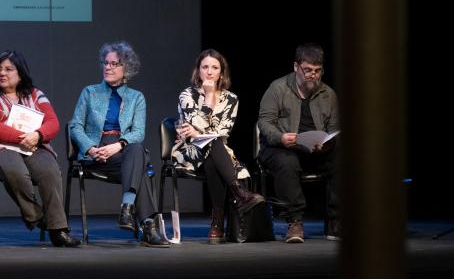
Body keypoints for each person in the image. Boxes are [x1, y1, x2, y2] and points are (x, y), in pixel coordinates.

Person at [0, 50, 80, 247]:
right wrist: (22, 137)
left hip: (33, 145)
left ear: (20, 73)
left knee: (50, 172)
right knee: (17, 172)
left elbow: (52, 122)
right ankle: (38, 218)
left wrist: (38, 136)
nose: (2, 73)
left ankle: (58, 231)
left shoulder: (35, 94)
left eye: (8, 69)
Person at [68, 41, 169, 247]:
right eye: (106, 63)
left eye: (114, 64)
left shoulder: (136, 98)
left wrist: (118, 145)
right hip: (95, 151)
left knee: (136, 150)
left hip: (122, 151)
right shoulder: (89, 92)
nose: (108, 67)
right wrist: (91, 148)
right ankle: (147, 225)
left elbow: (138, 132)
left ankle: (129, 209)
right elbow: (75, 126)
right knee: (141, 165)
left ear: (127, 68)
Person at [172, 49, 265, 244]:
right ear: (198, 71)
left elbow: (224, 132)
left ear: (222, 73)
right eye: (205, 67)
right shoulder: (187, 95)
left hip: (217, 150)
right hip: (187, 150)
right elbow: (192, 128)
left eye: (214, 67)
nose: (209, 72)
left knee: (213, 148)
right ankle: (237, 194)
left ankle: (218, 220)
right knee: (211, 144)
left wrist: (201, 131)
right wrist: (208, 96)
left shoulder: (231, 99)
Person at [258, 43, 340, 243]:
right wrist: (280, 137)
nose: (312, 75)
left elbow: (335, 129)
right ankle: (295, 221)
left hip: (315, 150)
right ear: (296, 67)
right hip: (281, 148)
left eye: (317, 71)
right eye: (308, 70)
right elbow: (265, 121)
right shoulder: (278, 88)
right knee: (287, 162)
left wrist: (327, 143)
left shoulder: (328, 94)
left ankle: (335, 222)